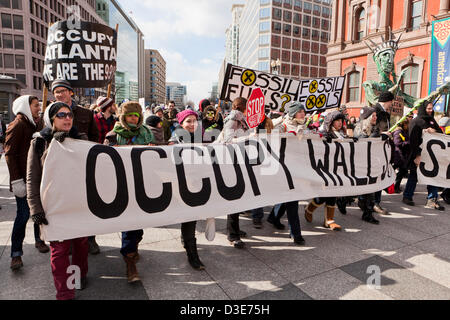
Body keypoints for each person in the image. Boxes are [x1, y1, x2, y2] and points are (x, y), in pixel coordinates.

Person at [27, 102, 88, 300]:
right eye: (61, 115)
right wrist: (35, 208)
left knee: (80, 245)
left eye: (69, 114)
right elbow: (33, 178)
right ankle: (65, 293)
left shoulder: (81, 138)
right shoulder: (39, 142)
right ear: (51, 119)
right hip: (54, 205)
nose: (67, 118)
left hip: (79, 204)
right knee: (60, 251)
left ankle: (78, 278)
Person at [104, 102, 154, 283]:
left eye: (136, 115)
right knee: (129, 225)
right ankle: (130, 262)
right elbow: (104, 162)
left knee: (139, 227)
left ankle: (133, 247)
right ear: (123, 117)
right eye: (130, 115)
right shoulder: (113, 136)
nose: (134, 118)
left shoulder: (147, 134)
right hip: (122, 186)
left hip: (142, 185)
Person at [51, 79, 101, 254]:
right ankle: (70, 240)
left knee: (88, 203)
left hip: (84, 166)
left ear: (70, 92)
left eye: (63, 91)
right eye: (56, 92)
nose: (59, 94)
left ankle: (91, 239)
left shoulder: (86, 114)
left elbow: (96, 137)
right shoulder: (48, 113)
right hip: (61, 169)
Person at [5, 95, 49, 271]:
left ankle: (39, 240)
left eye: (39, 105)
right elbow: (9, 154)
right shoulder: (17, 125)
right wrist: (17, 181)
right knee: (23, 215)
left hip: (36, 177)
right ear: (26, 106)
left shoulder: (36, 123)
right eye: (35, 105)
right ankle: (16, 253)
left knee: (39, 211)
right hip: (22, 180)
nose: (39, 108)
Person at [168, 109, 205, 270]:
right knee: (187, 216)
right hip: (180, 185)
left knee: (191, 218)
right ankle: (192, 254)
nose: (192, 124)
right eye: (188, 121)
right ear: (181, 123)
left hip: (195, 183)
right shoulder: (174, 140)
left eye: (194, 121)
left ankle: (191, 250)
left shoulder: (200, 138)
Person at [216, 97, 250, 248]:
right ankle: (232, 234)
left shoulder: (241, 119)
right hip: (231, 163)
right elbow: (228, 141)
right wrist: (248, 138)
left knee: (239, 200)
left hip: (239, 161)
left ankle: (235, 229)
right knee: (234, 199)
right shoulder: (232, 120)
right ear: (242, 106)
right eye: (248, 105)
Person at [304, 111, 347, 231]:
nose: (339, 123)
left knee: (333, 194)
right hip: (324, 169)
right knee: (323, 195)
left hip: (337, 168)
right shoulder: (323, 133)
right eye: (337, 121)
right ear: (331, 121)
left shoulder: (342, 133)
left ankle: (329, 220)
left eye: (340, 121)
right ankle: (309, 209)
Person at [403, 101, 445, 210]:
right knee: (414, 176)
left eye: (431, 108)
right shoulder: (415, 122)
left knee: (433, 177)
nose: (431, 110)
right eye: (428, 109)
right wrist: (417, 155)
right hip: (419, 154)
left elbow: (440, 133)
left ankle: (432, 199)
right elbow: (413, 140)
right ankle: (407, 196)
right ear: (423, 109)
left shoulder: (432, 121)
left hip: (431, 156)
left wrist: (433, 131)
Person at [354, 107, 381, 224]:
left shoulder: (375, 128)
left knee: (371, 188)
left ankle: (368, 213)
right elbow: (361, 142)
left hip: (371, 163)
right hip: (361, 163)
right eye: (373, 116)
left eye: (376, 115)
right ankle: (345, 200)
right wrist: (374, 137)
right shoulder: (360, 128)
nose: (375, 118)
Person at [392, 117, 411, 194]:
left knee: (402, 171)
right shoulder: (398, 131)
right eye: (407, 124)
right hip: (398, 155)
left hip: (402, 154)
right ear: (404, 124)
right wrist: (408, 143)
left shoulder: (404, 131)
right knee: (402, 171)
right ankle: (395, 186)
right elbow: (397, 143)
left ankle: (396, 186)